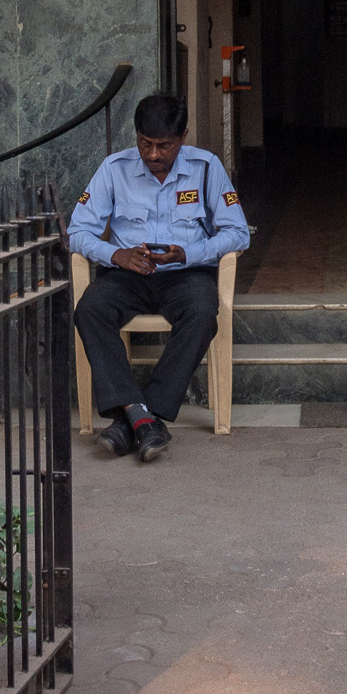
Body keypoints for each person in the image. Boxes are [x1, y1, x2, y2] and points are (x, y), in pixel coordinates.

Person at [68, 90, 249, 463]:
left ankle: (137, 417)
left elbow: (238, 232)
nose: (153, 154)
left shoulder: (206, 167)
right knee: (89, 309)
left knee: (202, 314)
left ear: (182, 138)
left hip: (186, 274)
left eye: (164, 145)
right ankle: (142, 418)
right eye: (145, 143)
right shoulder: (114, 169)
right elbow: (77, 232)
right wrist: (115, 254)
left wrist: (189, 253)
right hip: (126, 274)